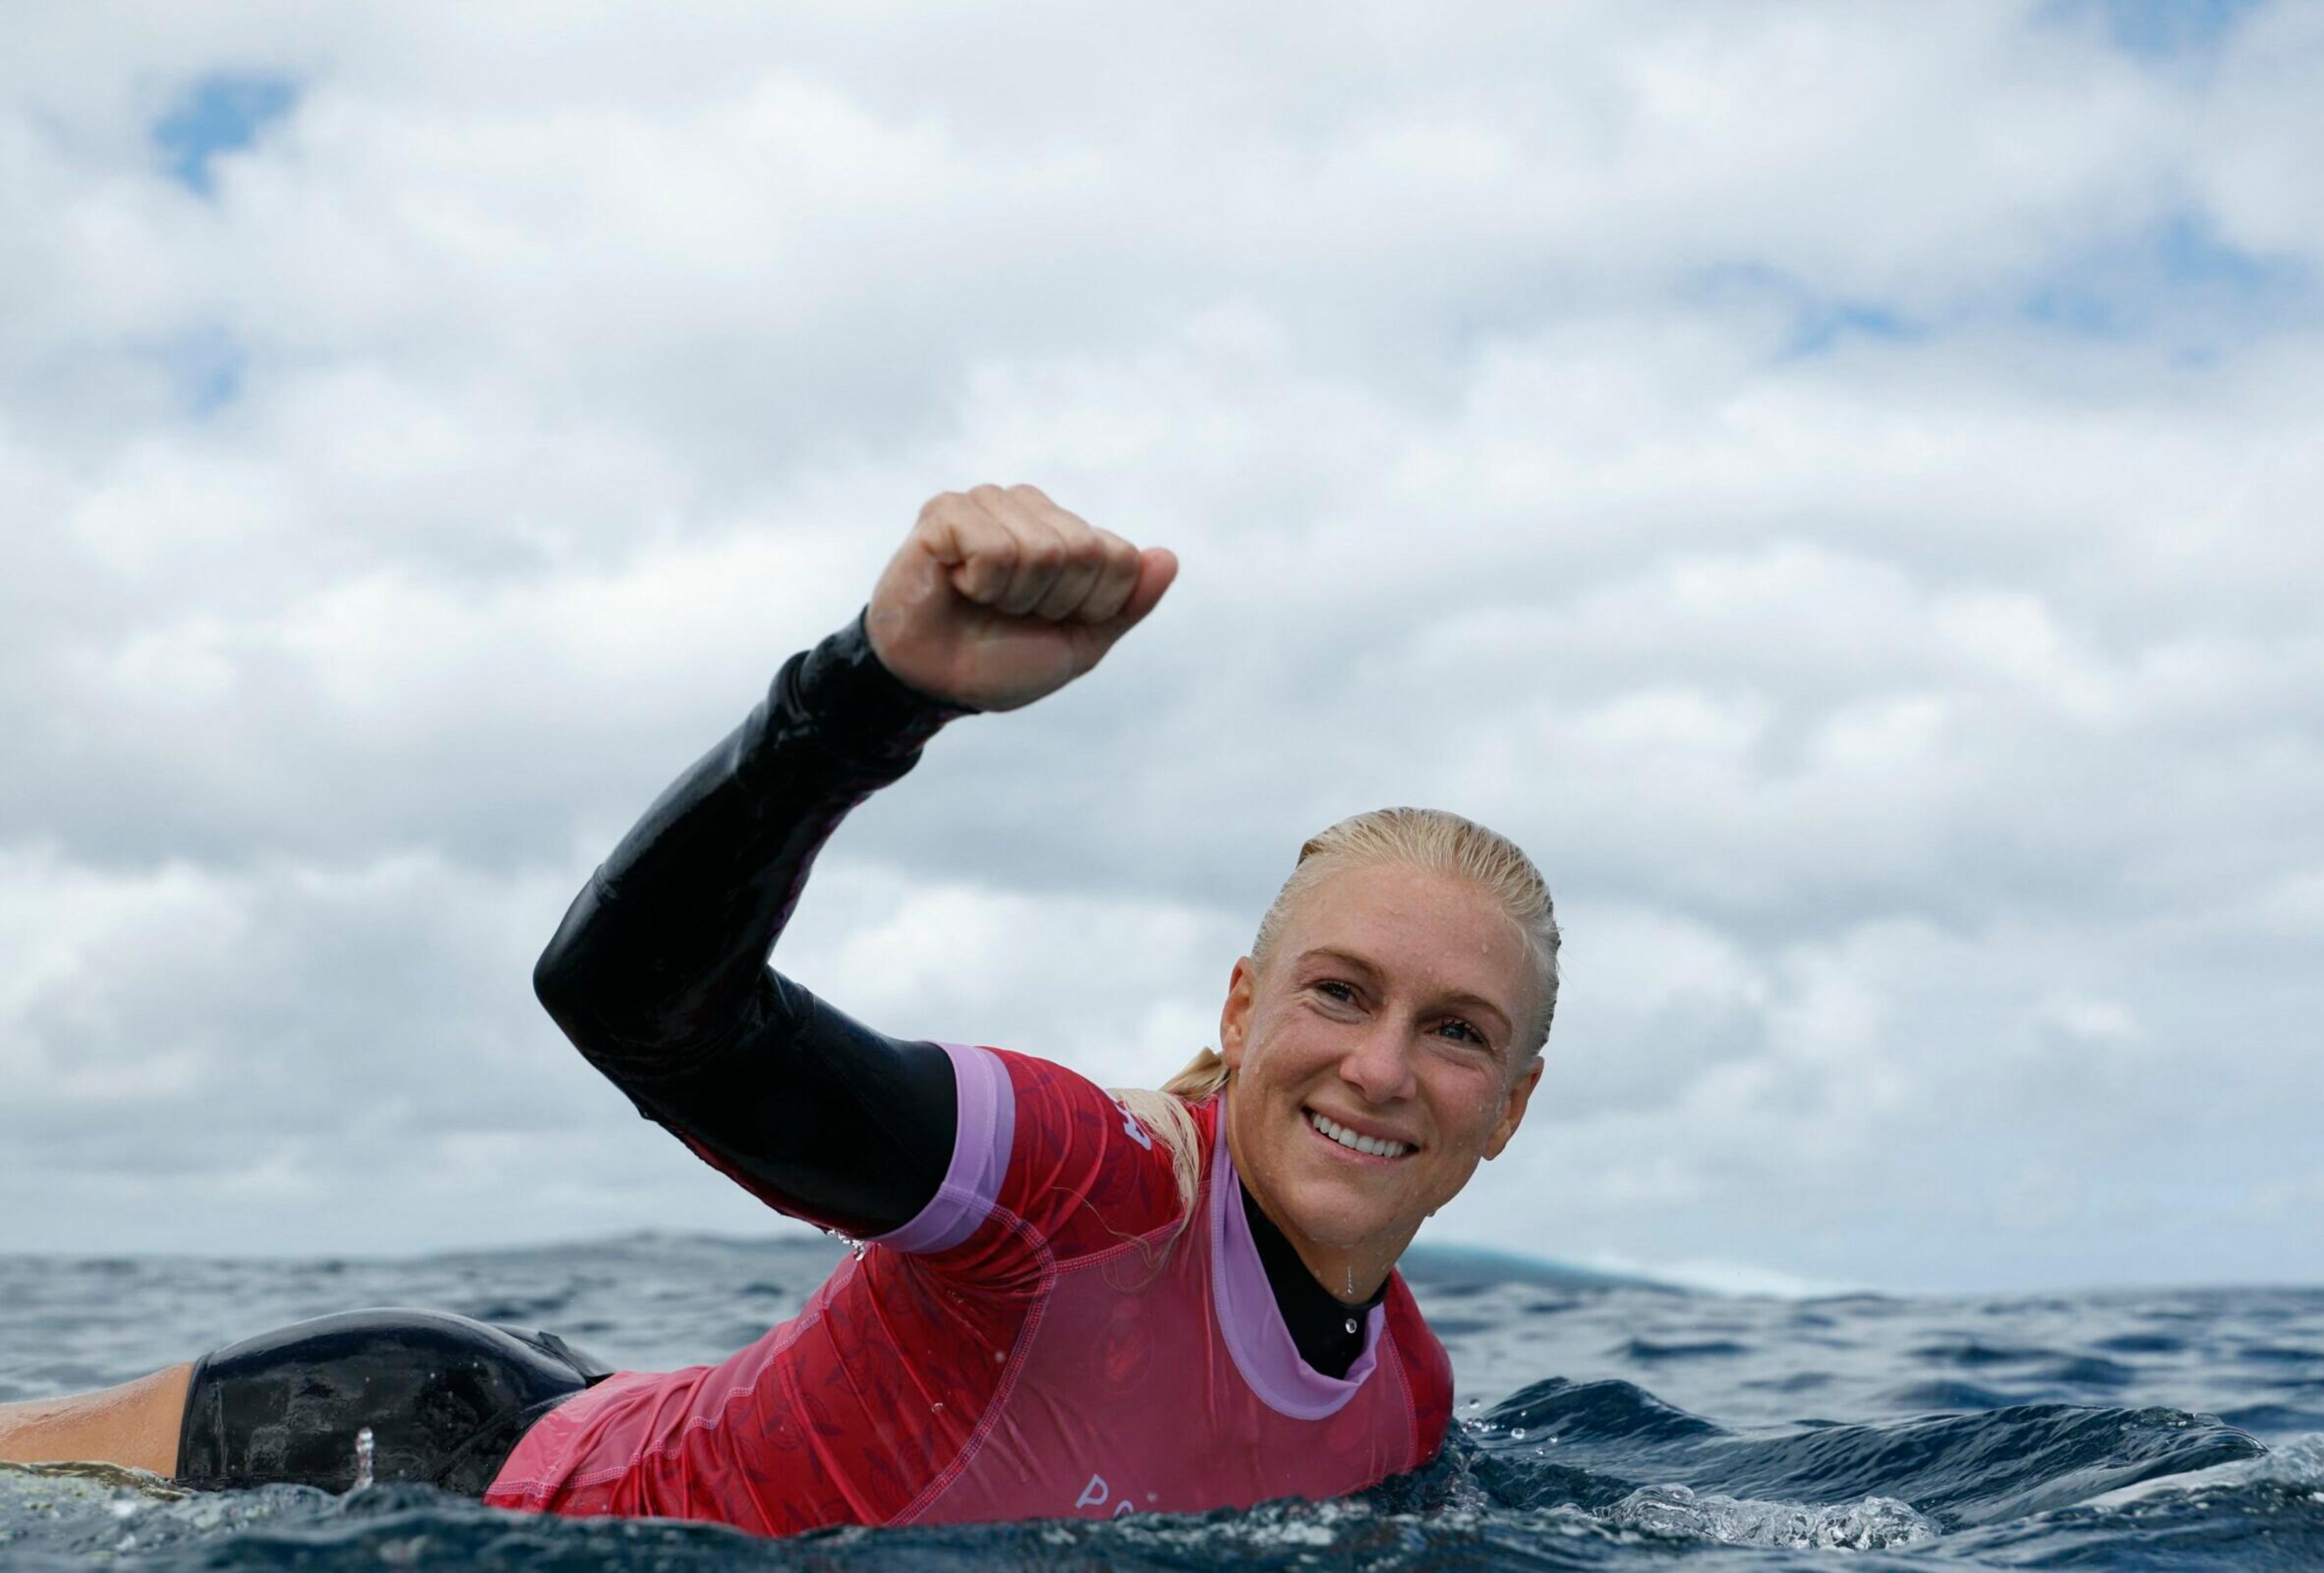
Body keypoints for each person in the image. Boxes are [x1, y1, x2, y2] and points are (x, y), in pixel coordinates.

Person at [0, 483, 1560, 1533]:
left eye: (1458, 1030)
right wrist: (874, 692)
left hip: (646, 1404)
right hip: (409, 1453)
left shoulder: (1409, 1400)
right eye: (1340, 993)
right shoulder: (1081, 1186)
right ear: (1240, 1009)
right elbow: (630, 1000)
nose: (1380, 1066)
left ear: (1513, 1105)